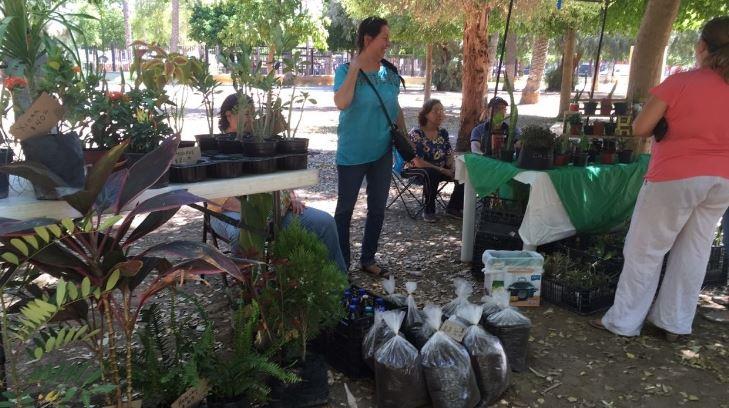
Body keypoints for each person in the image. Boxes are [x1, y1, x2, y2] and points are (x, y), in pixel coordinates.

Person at [592, 16, 729, 339]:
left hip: (674, 176)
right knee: (695, 250)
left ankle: (624, 322)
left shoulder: (681, 82)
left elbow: (640, 128)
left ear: (702, 47)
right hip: (723, 180)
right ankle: (675, 322)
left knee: (645, 249)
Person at [209, 93, 347, 274]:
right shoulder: (214, 147)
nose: (251, 119)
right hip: (229, 214)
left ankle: (338, 282)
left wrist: (290, 195)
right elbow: (222, 200)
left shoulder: (259, 143)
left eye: (253, 113)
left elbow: (276, 176)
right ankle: (247, 291)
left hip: (271, 211)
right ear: (228, 115)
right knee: (242, 233)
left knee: (325, 222)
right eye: (246, 114)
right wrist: (258, 214)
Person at [333, 16, 406, 277]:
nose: (388, 43)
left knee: (377, 209)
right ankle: (341, 262)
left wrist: (405, 144)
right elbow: (341, 102)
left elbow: (395, 110)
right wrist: (355, 68)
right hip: (352, 154)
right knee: (345, 210)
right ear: (368, 39)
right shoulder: (344, 70)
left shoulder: (390, 73)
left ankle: (368, 258)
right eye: (384, 37)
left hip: (382, 153)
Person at [403, 99, 464, 222]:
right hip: (415, 169)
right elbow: (418, 162)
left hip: (440, 169)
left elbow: (448, 155)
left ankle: (454, 207)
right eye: (436, 111)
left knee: (463, 170)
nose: (440, 113)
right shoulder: (416, 134)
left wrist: (452, 167)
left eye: (442, 110)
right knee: (432, 172)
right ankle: (429, 211)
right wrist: (442, 169)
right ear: (425, 114)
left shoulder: (443, 133)